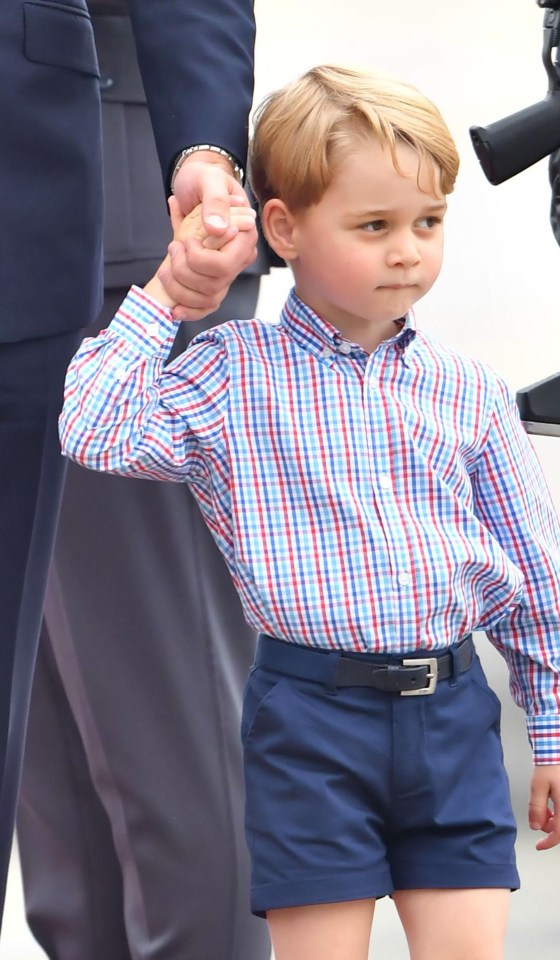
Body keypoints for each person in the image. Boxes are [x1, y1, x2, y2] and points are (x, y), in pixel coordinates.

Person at [58, 64, 560, 960]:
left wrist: (559, 736)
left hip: (451, 714)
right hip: (308, 721)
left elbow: (532, 577)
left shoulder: (468, 392)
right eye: (374, 226)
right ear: (284, 228)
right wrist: (169, 302)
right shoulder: (231, 374)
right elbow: (95, 430)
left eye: (428, 223)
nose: (407, 252)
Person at [15, 6, 272, 959]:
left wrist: (201, 148)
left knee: (175, 747)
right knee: (56, 789)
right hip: (46, 221)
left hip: (129, 232)